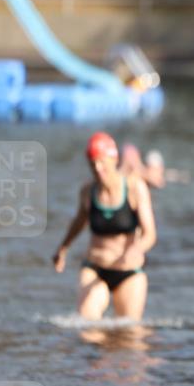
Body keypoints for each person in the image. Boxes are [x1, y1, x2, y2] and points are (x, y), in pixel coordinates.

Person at [53, 132, 157, 320]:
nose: (98, 168)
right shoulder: (87, 191)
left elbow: (150, 234)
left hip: (128, 271)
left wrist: (137, 249)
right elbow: (79, 221)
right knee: (87, 326)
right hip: (95, 268)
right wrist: (63, 247)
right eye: (93, 164)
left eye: (102, 162)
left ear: (114, 158)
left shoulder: (135, 187)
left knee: (128, 336)